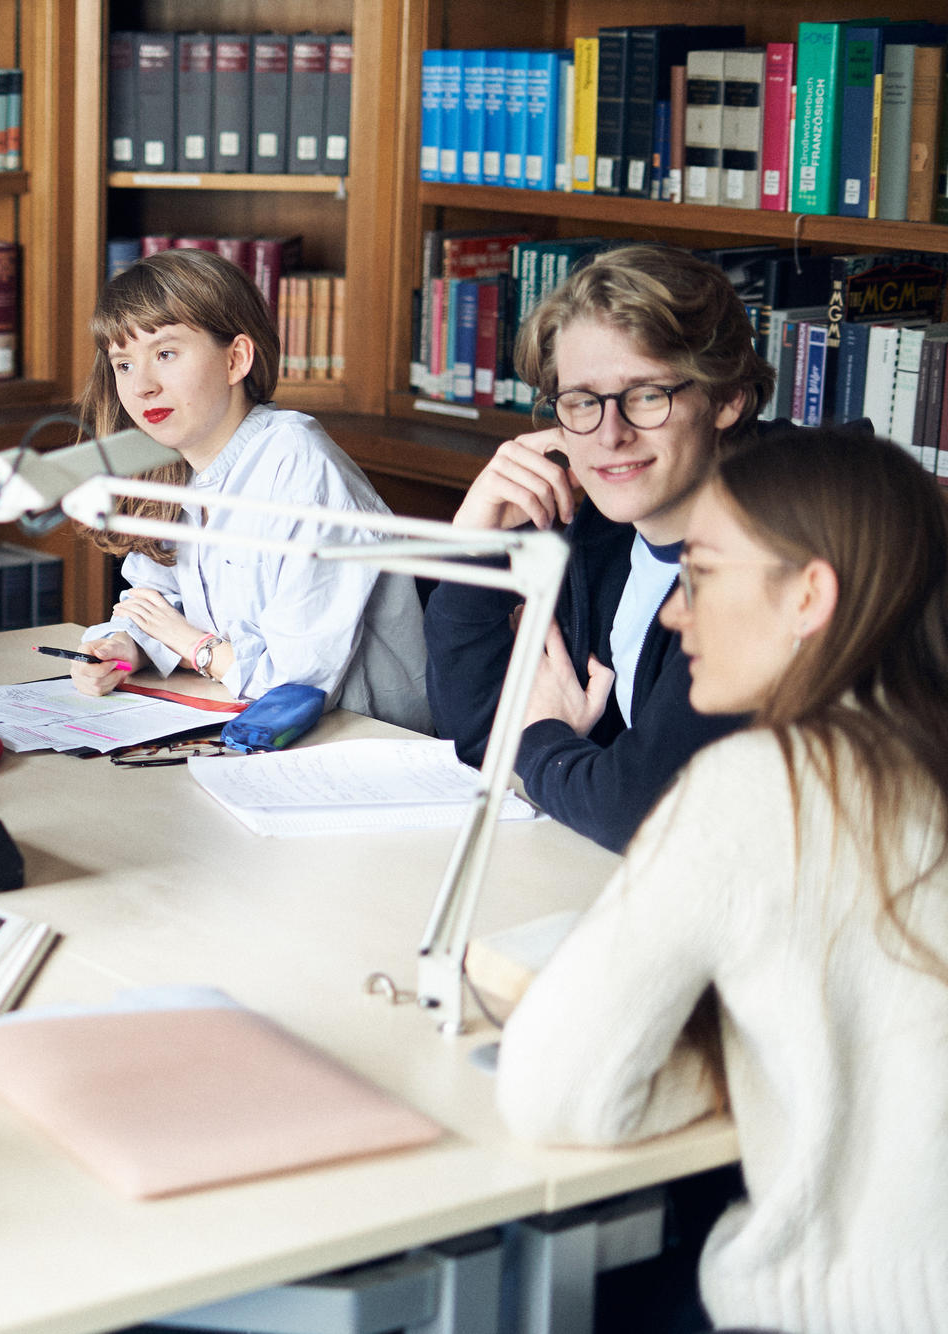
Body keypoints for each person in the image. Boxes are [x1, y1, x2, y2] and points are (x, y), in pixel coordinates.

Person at [497, 427, 948, 1334]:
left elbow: (561, 1094)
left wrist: (714, 1057)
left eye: (699, 574)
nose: (673, 613)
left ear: (809, 595)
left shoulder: (759, 788)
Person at [425, 245, 772, 851]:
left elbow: (634, 810)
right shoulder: (601, 532)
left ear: (727, 400)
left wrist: (540, 736)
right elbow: (472, 737)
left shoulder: (771, 553)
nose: (610, 434)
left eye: (645, 395)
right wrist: (476, 548)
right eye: (582, 401)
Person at [67, 248, 429, 731]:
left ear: (236, 358)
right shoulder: (178, 465)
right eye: (124, 364)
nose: (142, 387)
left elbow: (294, 687)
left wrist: (192, 644)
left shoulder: (300, 466)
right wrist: (121, 650)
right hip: (249, 731)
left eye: (166, 353)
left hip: (361, 749)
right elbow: (153, 601)